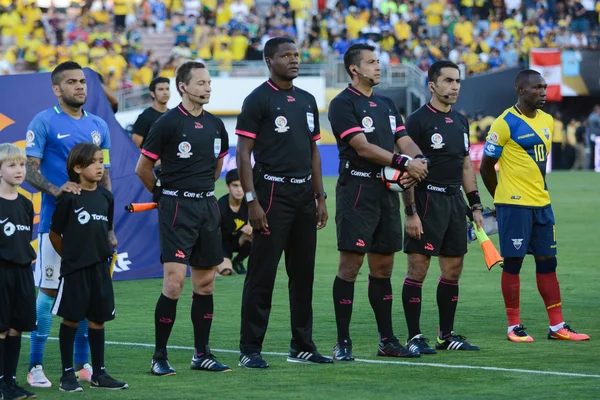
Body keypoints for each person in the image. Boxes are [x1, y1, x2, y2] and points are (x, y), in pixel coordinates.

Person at [328, 43, 428, 362]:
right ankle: (342, 341)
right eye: (371, 62)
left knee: (383, 266)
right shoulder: (342, 104)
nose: (379, 67)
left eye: (378, 62)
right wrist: (405, 162)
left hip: (388, 192)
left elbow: (404, 138)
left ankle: (386, 340)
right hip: (357, 190)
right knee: (351, 264)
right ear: (354, 69)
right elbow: (363, 147)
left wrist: (419, 157)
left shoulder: (386, 103)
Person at [236, 37, 331, 368]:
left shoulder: (306, 100)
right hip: (271, 194)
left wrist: (320, 197)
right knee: (262, 274)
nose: (294, 60)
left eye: (297, 55)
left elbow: (314, 152)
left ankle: (302, 345)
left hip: (304, 195)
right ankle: (250, 348)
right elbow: (243, 153)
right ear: (268, 61)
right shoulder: (257, 99)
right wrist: (252, 201)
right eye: (286, 55)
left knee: (303, 274)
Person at [480, 69, 590, 342]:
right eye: (537, 88)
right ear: (520, 90)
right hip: (514, 205)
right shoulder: (504, 123)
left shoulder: (548, 120)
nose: (543, 92)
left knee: (548, 262)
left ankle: (557, 326)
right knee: (513, 263)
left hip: (542, 202)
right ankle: (513, 326)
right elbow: (485, 167)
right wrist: (500, 199)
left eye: (544, 87)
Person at [136, 61, 231, 376]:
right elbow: (143, 169)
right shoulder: (167, 123)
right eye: (201, 83)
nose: (207, 88)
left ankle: (201, 354)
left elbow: (217, 168)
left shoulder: (217, 125)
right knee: (175, 283)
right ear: (183, 87)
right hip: (177, 208)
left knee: (205, 284)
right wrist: (163, 197)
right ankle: (159, 356)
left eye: (208, 83)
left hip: (206, 208)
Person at [24, 61, 115, 388]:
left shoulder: (98, 125)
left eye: (83, 82)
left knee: (87, 295)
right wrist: (55, 189)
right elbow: (29, 168)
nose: (80, 87)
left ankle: (83, 365)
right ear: (57, 89)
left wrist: (108, 226)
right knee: (48, 293)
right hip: (56, 224)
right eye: (72, 82)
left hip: (92, 229)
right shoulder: (44, 121)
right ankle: (35, 365)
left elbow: (105, 175)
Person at [400, 60, 484, 355]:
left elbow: (465, 165)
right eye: (448, 81)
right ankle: (414, 336)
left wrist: (475, 205)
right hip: (425, 202)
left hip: (454, 203)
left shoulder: (461, 121)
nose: (455, 86)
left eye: (458, 81)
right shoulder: (417, 121)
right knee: (418, 269)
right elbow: (408, 170)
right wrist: (410, 212)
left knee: (453, 269)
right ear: (432, 85)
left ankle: (446, 335)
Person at [50, 143, 128, 392]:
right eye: (94, 162)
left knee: (98, 320)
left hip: (100, 269)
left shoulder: (106, 197)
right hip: (75, 270)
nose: (100, 166)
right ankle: (66, 375)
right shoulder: (69, 197)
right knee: (71, 319)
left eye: (100, 161)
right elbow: (55, 234)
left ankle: (100, 374)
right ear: (77, 167)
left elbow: (107, 230)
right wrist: (72, 257)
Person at [0, 144, 38, 400]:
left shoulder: (26, 204)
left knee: (16, 328)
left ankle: (10, 383)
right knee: (1, 328)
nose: (19, 170)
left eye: (22, 164)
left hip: (23, 273)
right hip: (1, 273)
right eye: (11, 165)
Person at [216, 168, 251, 276]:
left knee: (260, 233)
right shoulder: (220, 205)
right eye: (235, 186)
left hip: (239, 240)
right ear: (228, 187)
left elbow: (262, 212)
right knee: (226, 272)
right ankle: (221, 265)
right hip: (221, 244)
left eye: (242, 185)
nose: (239, 190)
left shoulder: (249, 199)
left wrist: (252, 226)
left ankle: (238, 261)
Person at [132, 77, 171, 149]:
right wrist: (151, 160)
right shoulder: (144, 117)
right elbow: (135, 147)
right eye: (161, 89)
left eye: (167, 89)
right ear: (153, 93)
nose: (165, 92)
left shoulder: (173, 115)